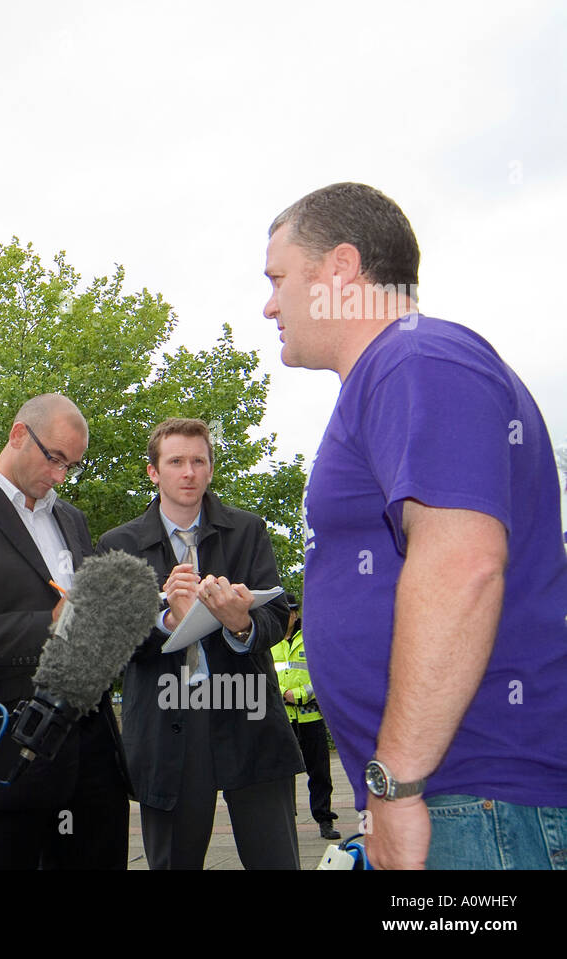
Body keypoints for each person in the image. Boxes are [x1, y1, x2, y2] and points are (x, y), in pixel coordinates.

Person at [263, 181, 567, 869]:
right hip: (450, 800)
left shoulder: (417, 358)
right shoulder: (395, 374)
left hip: (475, 802)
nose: (269, 303)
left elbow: (464, 565)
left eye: (279, 278)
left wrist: (395, 786)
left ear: (340, 269)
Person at [0, 394, 131, 870]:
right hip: (5, 755)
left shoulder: (71, 519)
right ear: (17, 434)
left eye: (71, 466)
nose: (59, 476)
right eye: (55, 458)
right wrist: (47, 625)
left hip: (91, 756)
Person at [99, 417, 302, 870]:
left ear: (211, 469)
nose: (188, 472)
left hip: (248, 716)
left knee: (277, 860)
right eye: (175, 462)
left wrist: (240, 624)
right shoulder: (119, 545)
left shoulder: (247, 530)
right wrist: (168, 620)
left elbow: (276, 615)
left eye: (198, 461)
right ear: (154, 472)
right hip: (166, 724)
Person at [272, 594, 339, 840]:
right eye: (283, 611)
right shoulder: (270, 640)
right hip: (281, 719)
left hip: (309, 716)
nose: (287, 615)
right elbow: (264, 674)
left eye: (291, 611)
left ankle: (324, 820)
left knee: (319, 772)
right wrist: (282, 694)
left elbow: (321, 674)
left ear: (296, 614)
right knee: (281, 774)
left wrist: (299, 694)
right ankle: (284, 821)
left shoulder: (310, 638)